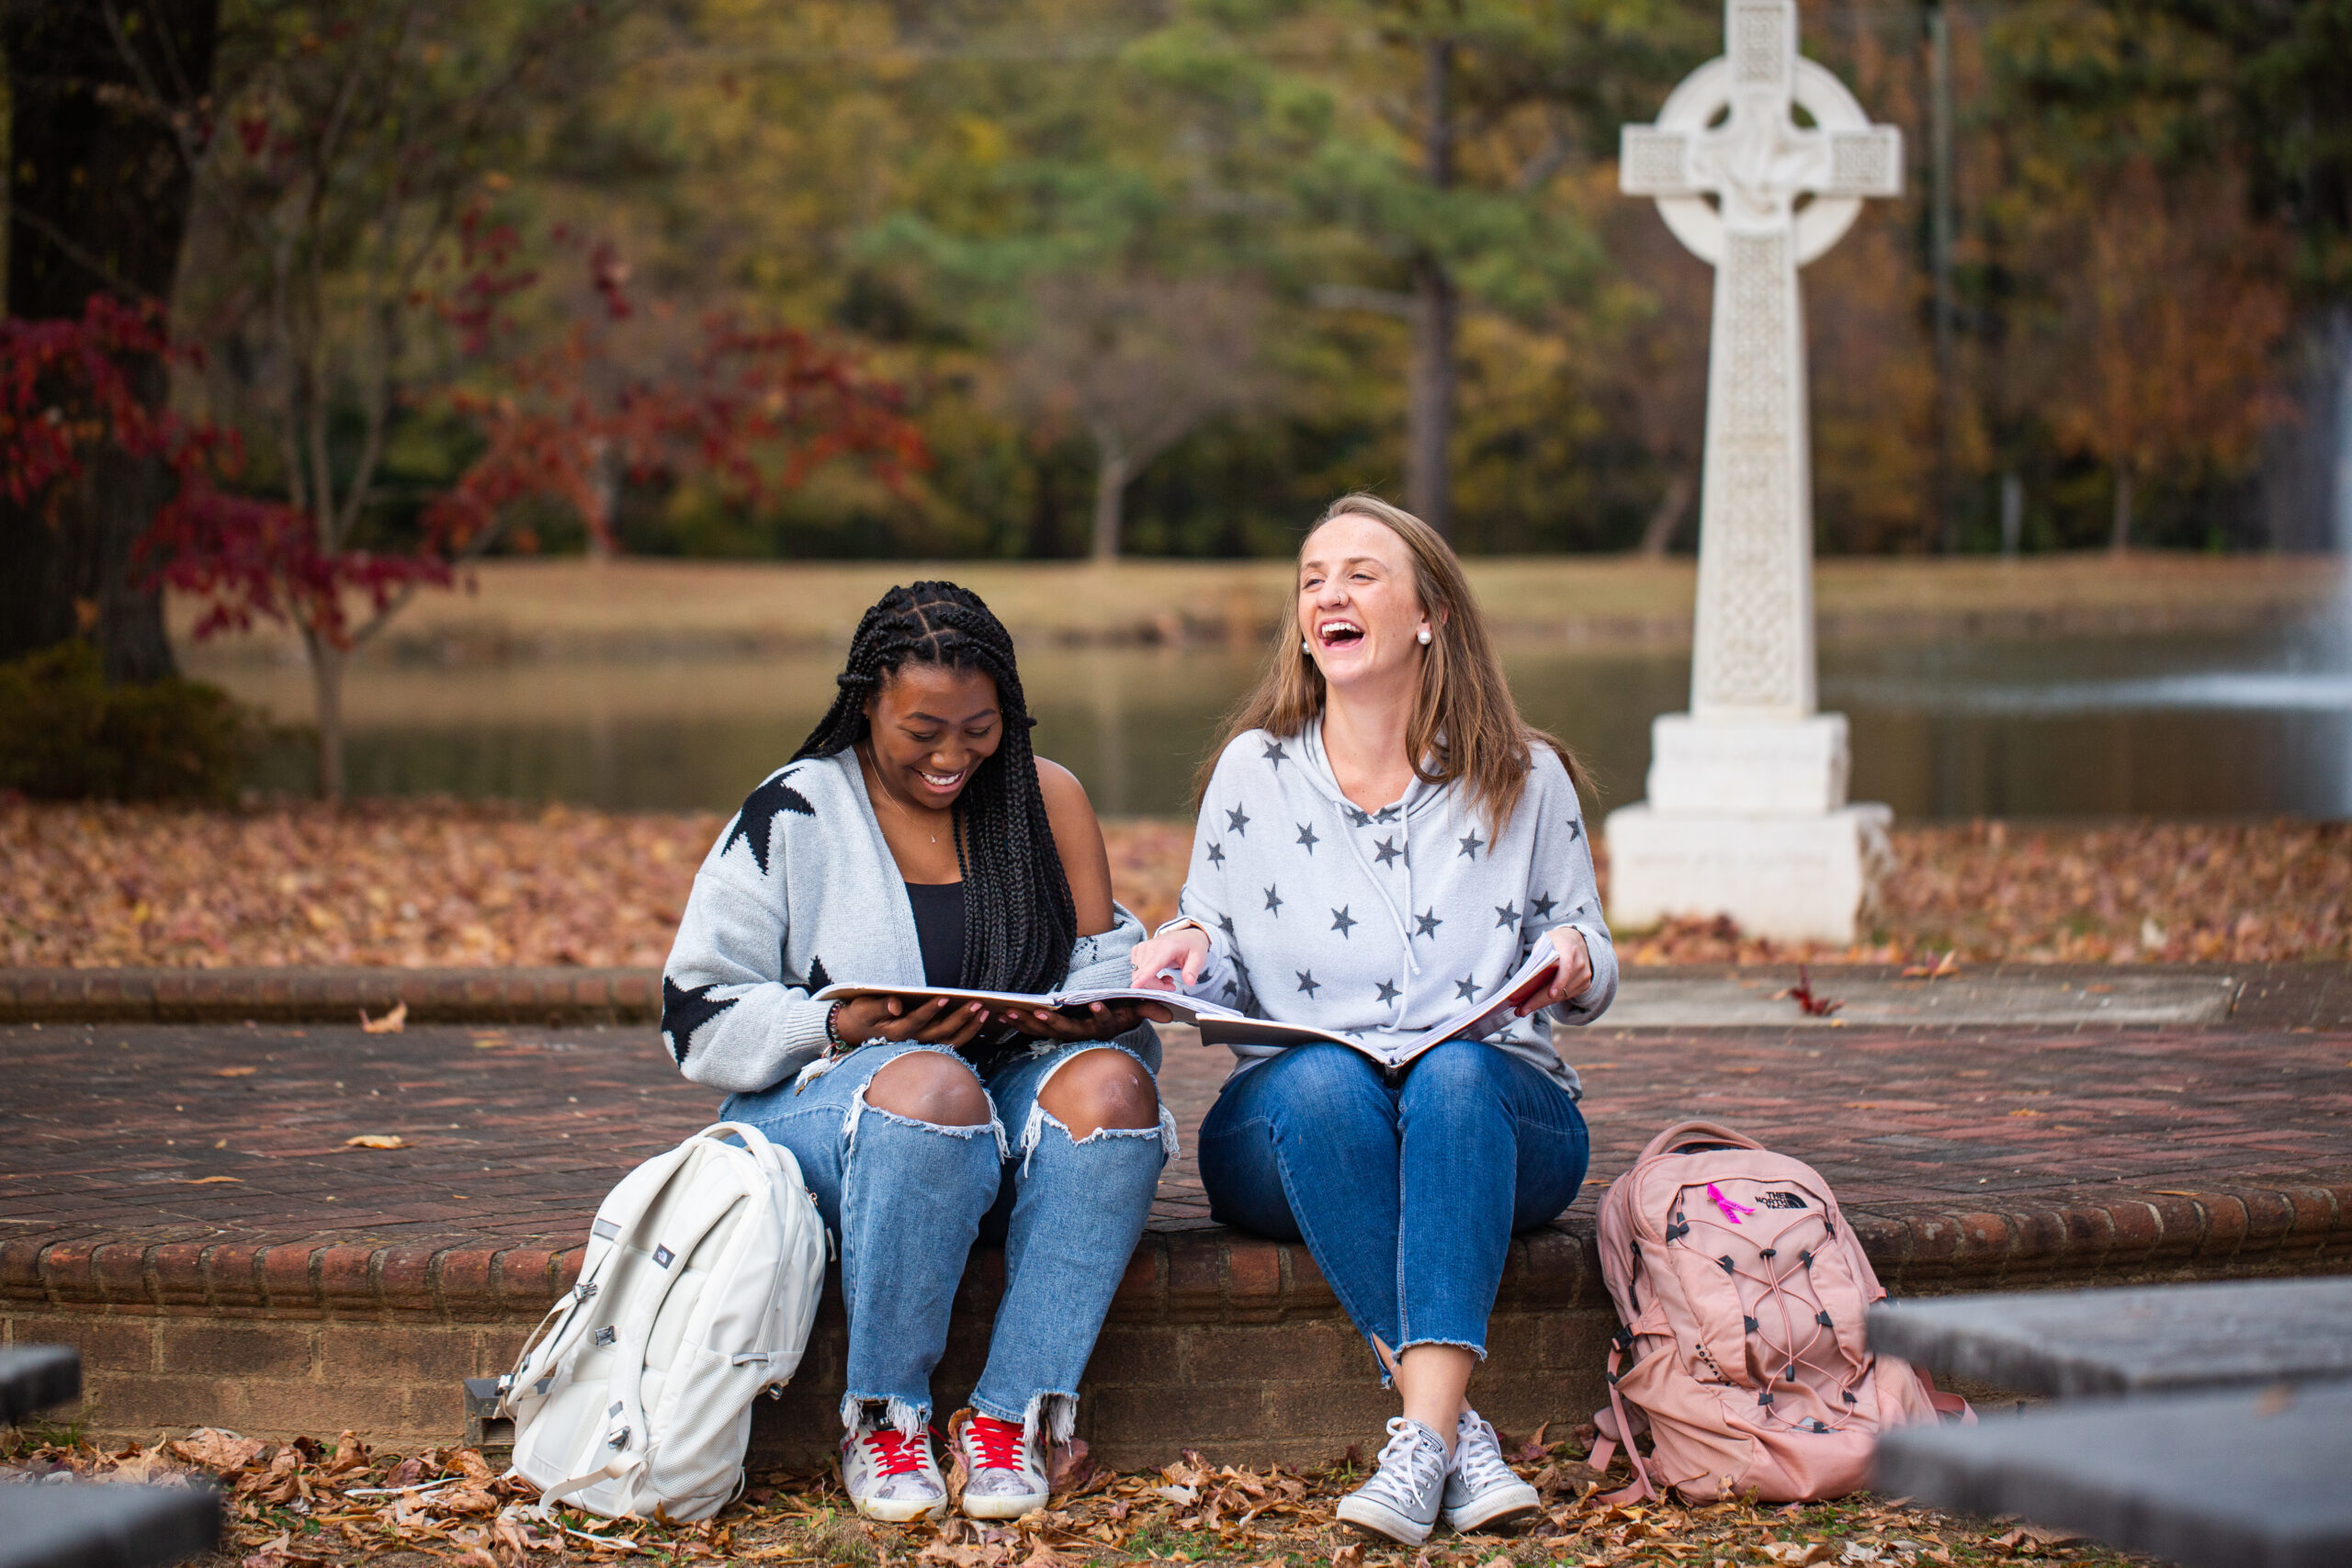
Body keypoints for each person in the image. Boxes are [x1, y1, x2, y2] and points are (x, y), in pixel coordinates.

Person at [1130, 495, 1616, 1547]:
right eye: (1312, 578)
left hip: (1491, 1125)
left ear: (1429, 612)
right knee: (1320, 1082)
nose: (1328, 595)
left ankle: (1424, 1441)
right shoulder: (1252, 774)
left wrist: (1574, 958)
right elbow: (1207, 930)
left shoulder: (1524, 777)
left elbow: (1587, 948)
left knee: (1450, 1074)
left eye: (1359, 573)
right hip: (1298, 1128)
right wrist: (1186, 950)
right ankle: (1450, 1438)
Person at [661, 581, 1174, 1524]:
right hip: (826, 1117)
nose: (951, 756)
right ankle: (883, 1416)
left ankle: (1009, 1418)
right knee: (931, 1084)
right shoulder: (793, 811)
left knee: (1114, 1090)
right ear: (867, 707)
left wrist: (1094, 1017)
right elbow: (695, 1013)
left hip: (1006, 1101)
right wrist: (840, 1025)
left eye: (978, 728)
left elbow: (1107, 974)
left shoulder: (1045, 797)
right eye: (921, 729)